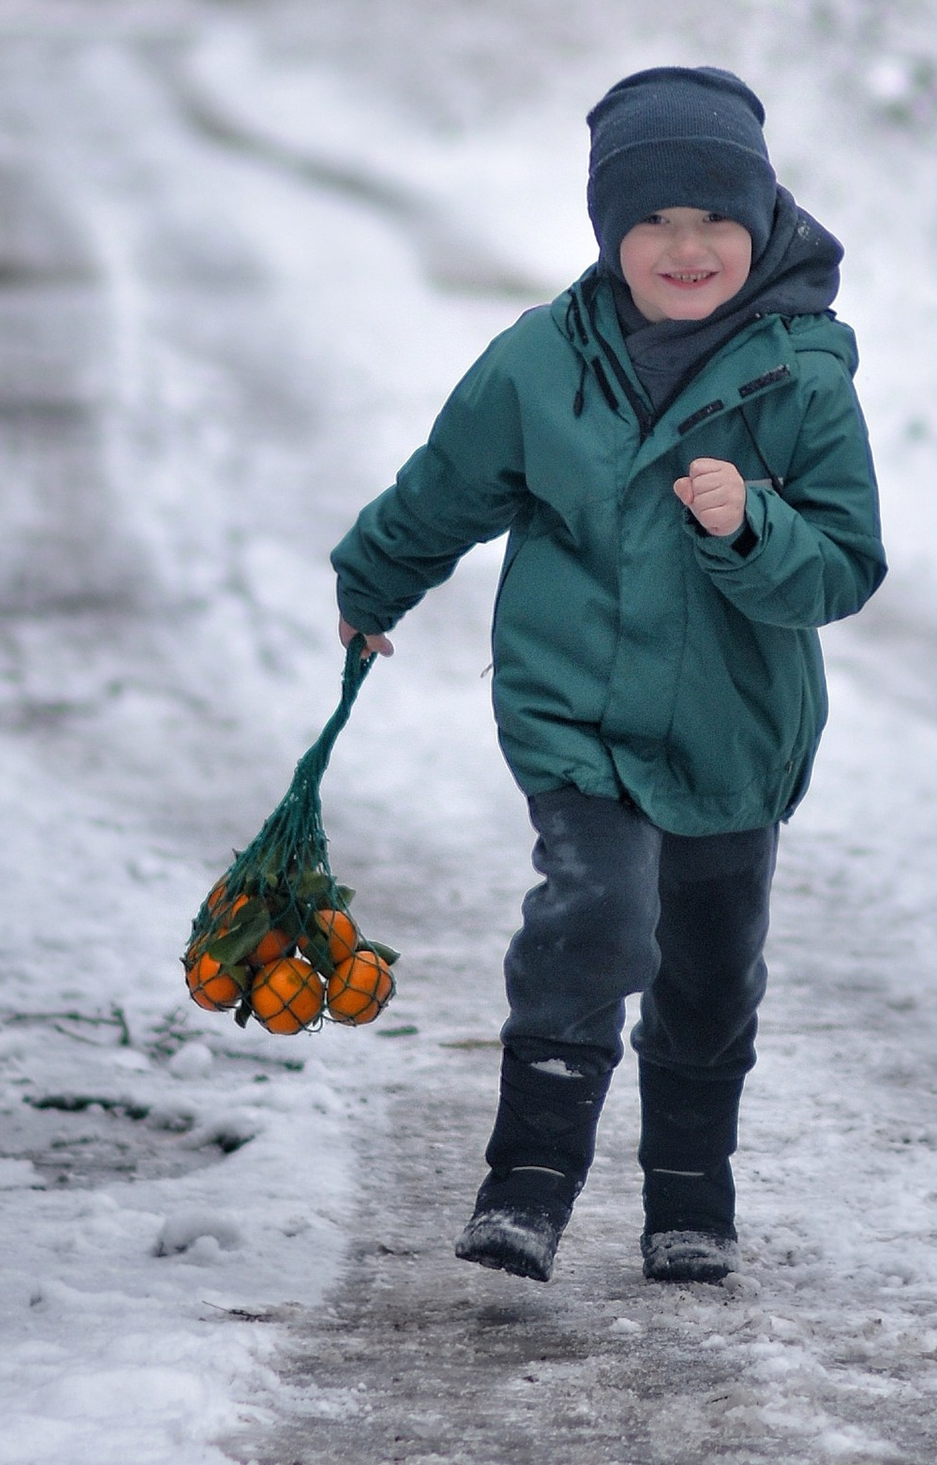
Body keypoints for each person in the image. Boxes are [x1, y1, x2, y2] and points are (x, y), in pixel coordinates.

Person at [330, 64, 886, 1285]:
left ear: (761, 222)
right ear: (607, 231)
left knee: (708, 969)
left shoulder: (802, 376)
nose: (686, 248)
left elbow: (843, 568)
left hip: (734, 731)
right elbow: (444, 489)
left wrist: (753, 527)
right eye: (653, 221)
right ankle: (525, 1186)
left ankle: (690, 1198)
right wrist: (373, 584)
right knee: (594, 918)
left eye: (715, 220)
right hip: (576, 713)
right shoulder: (540, 364)